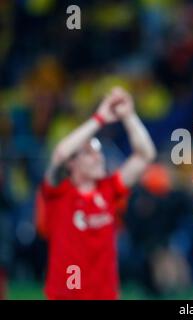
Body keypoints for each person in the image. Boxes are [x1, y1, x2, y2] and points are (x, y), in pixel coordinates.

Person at [38, 87, 156, 299]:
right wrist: (100, 118)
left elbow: (145, 155)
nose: (99, 157)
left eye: (98, 152)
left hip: (105, 294)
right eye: (89, 153)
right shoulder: (59, 193)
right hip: (66, 295)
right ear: (72, 164)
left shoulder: (108, 188)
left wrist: (129, 116)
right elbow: (59, 154)